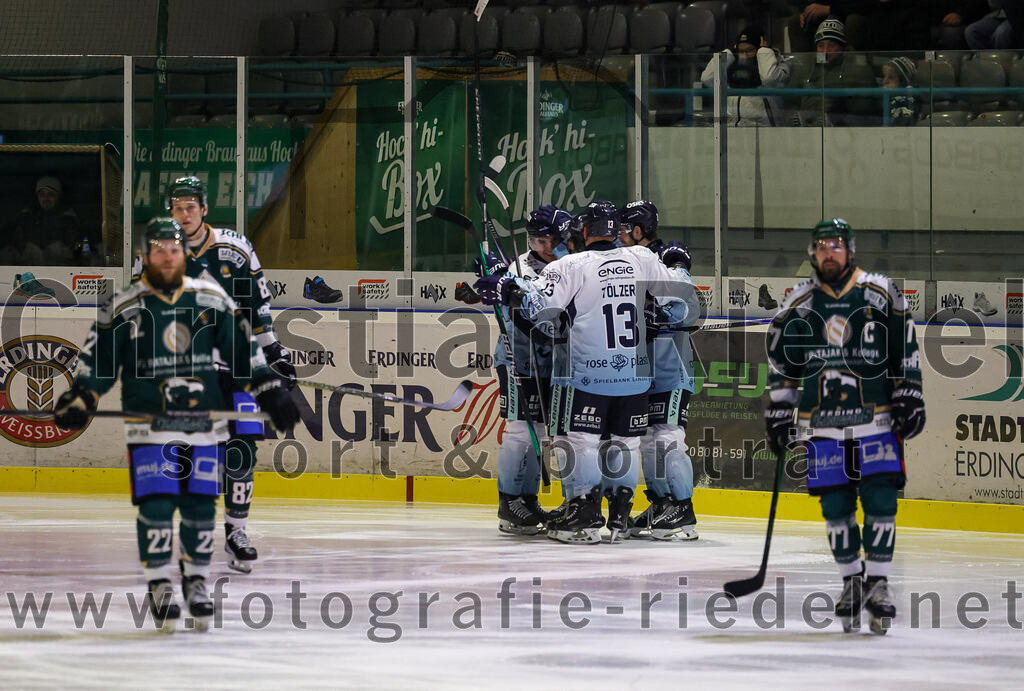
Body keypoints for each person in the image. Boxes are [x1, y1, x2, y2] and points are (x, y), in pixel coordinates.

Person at [53, 218, 300, 632]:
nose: (167, 256)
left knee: (200, 504)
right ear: (145, 256)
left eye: (174, 248)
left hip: (203, 422)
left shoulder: (212, 298)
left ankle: (197, 581)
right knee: (158, 503)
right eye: (158, 249)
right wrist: (82, 396)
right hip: (149, 422)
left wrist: (268, 388)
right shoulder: (124, 305)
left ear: (184, 253)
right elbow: (98, 363)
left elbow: (243, 352)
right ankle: (159, 584)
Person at [474, 200, 699, 544]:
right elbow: (682, 299)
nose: (550, 246)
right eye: (539, 240)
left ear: (581, 232)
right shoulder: (638, 258)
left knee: (587, 441)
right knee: (619, 442)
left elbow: (540, 309)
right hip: (624, 372)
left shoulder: (572, 265)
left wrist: (507, 288)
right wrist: (680, 268)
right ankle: (611, 515)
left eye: (557, 237)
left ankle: (586, 512)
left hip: (586, 370)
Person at [765, 218, 925, 635]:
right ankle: (852, 582)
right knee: (835, 508)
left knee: (880, 501)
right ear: (812, 253)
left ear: (849, 250)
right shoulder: (798, 301)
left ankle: (879, 584)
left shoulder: (879, 291)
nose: (828, 254)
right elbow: (783, 361)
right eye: (820, 247)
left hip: (877, 418)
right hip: (820, 424)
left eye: (835, 246)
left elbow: (905, 345)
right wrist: (780, 408)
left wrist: (911, 392)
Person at [134, 175, 296, 573]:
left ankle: (237, 531)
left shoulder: (235, 248)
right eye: (177, 207)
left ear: (205, 209)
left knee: (242, 449)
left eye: (191, 207)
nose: (184, 214)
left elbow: (257, 304)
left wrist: (273, 347)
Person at [481, 204, 568, 536]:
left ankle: (528, 500)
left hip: (554, 362)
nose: (542, 247)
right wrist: (497, 284)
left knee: (542, 434)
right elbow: (499, 299)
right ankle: (511, 501)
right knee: (521, 431)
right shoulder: (519, 267)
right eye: (536, 240)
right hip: (519, 358)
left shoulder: (569, 266)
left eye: (549, 239)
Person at [617, 201, 701, 541]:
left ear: (638, 231)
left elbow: (689, 307)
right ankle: (661, 502)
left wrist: (665, 316)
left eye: (624, 230)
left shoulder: (668, 258)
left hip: (670, 364)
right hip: (642, 367)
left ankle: (683, 508)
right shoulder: (624, 261)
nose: (618, 236)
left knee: (668, 436)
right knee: (649, 440)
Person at [700, 27, 792, 127]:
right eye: (740, 51)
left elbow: (769, 79)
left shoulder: (778, 64)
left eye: (749, 50)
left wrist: (764, 52)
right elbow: (707, 78)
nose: (744, 55)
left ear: (759, 48)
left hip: (765, 132)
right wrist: (729, 52)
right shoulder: (732, 67)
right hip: (733, 131)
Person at [1, 175, 86, 266]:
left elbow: (79, 252)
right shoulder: (25, 218)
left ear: (59, 196)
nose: (46, 199)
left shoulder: (70, 221)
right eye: (42, 194)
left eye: (51, 194)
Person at [881, 56, 918, 126]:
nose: (884, 81)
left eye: (891, 77)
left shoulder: (906, 102)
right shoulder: (884, 98)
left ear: (903, 82)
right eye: (884, 76)